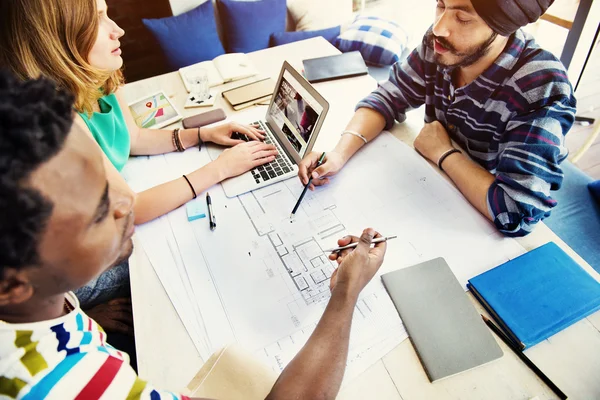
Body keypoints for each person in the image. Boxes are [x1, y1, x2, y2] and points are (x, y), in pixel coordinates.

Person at [0, 72, 387, 400]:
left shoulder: (28, 292)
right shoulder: (77, 385)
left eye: (105, 182)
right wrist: (345, 294)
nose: (124, 203)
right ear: (12, 285)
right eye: (96, 209)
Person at [0, 0, 278, 308]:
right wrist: (219, 170)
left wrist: (200, 135)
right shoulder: (58, 121)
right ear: (56, 42)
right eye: (98, 21)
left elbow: (134, 138)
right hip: (81, 273)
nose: (117, 30)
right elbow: (131, 206)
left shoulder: (100, 77)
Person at [299, 0, 577, 237]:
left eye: (463, 17)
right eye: (441, 5)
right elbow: (389, 96)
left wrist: (444, 153)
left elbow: (516, 214)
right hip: (430, 190)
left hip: (475, 221)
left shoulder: (540, 86)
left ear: (503, 27)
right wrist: (338, 154)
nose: (439, 28)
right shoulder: (441, 44)